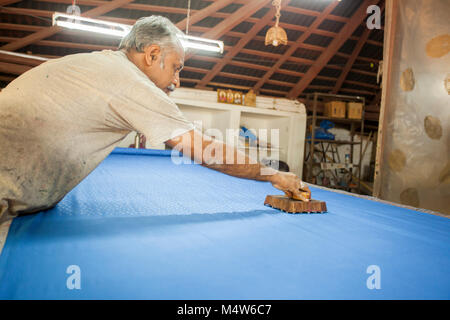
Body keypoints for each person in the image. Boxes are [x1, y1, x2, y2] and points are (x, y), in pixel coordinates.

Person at [0, 16, 310, 223]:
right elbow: (202, 149)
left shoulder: (103, 65)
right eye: (176, 67)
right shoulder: (131, 82)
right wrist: (273, 175)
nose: (176, 81)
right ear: (151, 55)